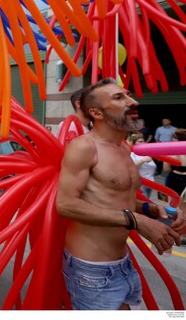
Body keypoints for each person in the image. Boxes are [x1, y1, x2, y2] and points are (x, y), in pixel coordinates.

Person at [56, 78, 185, 310]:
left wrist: (153, 209)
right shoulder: (84, 147)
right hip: (92, 271)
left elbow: (113, 199)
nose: (133, 101)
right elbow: (66, 204)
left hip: (122, 263)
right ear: (96, 113)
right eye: (119, 98)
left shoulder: (124, 148)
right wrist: (137, 220)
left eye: (128, 95)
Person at [126, 132, 155, 198]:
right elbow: (131, 167)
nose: (143, 143)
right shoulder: (131, 154)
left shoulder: (145, 152)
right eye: (140, 141)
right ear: (134, 143)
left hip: (150, 183)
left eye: (143, 141)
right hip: (140, 184)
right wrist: (143, 160)